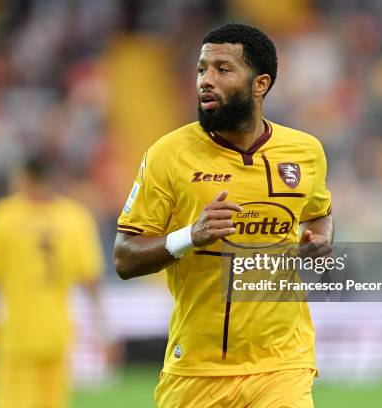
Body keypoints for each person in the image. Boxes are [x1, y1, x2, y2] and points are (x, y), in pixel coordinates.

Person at [114, 22, 334, 407]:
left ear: (260, 84)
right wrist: (189, 236)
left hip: (282, 364)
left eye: (222, 69)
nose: (205, 80)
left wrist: (318, 238)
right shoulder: (169, 154)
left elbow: (319, 213)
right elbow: (124, 257)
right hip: (198, 369)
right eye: (202, 69)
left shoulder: (305, 152)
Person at [0, 156, 111, 408]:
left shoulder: (3, 216)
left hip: (16, 335)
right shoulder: (76, 218)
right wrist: (103, 327)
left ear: (24, 178)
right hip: (57, 334)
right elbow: (91, 280)